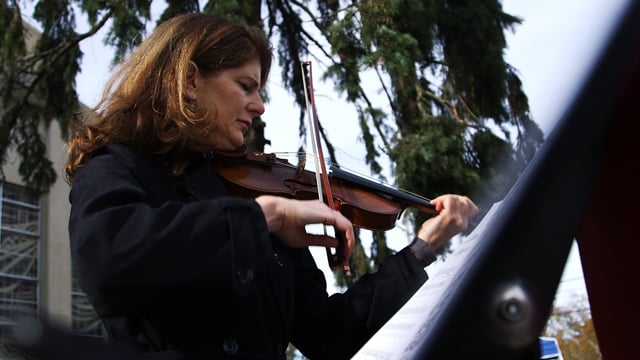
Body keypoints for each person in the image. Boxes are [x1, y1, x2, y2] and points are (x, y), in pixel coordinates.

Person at [65, 13, 478, 360]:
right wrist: (266, 217)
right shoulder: (118, 166)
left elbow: (332, 336)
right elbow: (107, 257)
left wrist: (422, 249)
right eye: (245, 86)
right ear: (190, 80)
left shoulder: (251, 196)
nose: (260, 106)